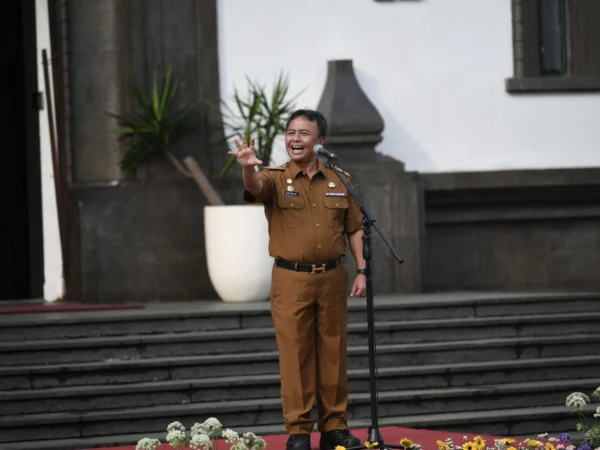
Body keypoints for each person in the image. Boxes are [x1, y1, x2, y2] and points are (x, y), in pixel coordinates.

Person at [228, 109, 367, 450]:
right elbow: (255, 188)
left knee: (334, 354)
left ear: (320, 141)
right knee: (296, 355)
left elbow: (355, 228)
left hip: (333, 277)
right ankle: (299, 431)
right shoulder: (275, 177)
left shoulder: (340, 179)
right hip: (291, 279)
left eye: (304, 133)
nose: (295, 139)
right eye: (291, 132)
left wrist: (362, 269)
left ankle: (335, 427)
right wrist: (248, 166)